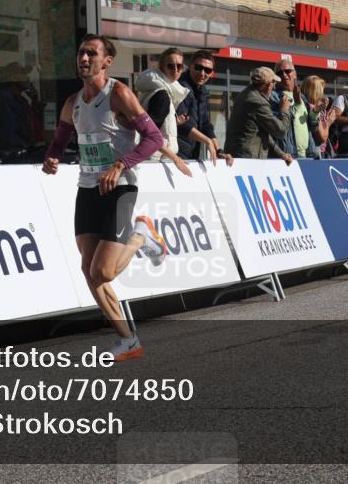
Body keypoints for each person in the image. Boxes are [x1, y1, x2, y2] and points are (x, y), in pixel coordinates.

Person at [41, 35, 167, 361]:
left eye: (91, 53)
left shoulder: (119, 95)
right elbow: (60, 139)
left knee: (105, 272)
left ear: (106, 61)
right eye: (81, 52)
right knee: (88, 269)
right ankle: (128, 339)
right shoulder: (73, 103)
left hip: (120, 186)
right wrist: (52, 157)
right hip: (88, 189)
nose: (84, 58)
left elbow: (154, 138)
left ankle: (141, 236)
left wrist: (120, 163)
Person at [135, 47, 192, 176]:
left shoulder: (160, 90)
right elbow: (150, 134)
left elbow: (155, 125)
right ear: (162, 67)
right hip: (155, 159)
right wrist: (176, 159)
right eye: (171, 66)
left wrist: (174, 122)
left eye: (180, 66)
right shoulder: (162, 94)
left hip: (159, 157)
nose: (176, 70)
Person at [223, 67, 294, 164]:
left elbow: (263, 133)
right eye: (274, 83)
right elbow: (281, 131)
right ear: (269, 85)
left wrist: (281, 154)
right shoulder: (257, 102)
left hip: (241, 157)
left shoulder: (247, 95)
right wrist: (284, 110)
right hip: (248, 160)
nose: (274, 87)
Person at [176, 50, 230, 164]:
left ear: (211, 73)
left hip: (192, 153)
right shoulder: (181, 87)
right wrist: (207, 141)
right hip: (176, 154)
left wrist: (218, 149)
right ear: (190, 66)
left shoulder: (202, 90)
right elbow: (182, 124)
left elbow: (205, 124)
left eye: (207, 70)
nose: (202, 73)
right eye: (198, 67)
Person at [268, 58, 308, 157]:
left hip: (306, 155)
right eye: (280, 73)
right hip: (287, 156)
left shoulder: (303, 97)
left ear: (295, 74)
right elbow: (276, 126)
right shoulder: (273, 97)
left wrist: (316, 113)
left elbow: (310, 124)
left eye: (287, 71)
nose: (284, 75)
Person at [299, 75, 337, 160]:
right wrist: (329, 121)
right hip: (316, 153)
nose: (322, 94)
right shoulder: (312, 109)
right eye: (321, 90)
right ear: (316, 92)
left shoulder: (304, 106)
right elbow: (322, 137)